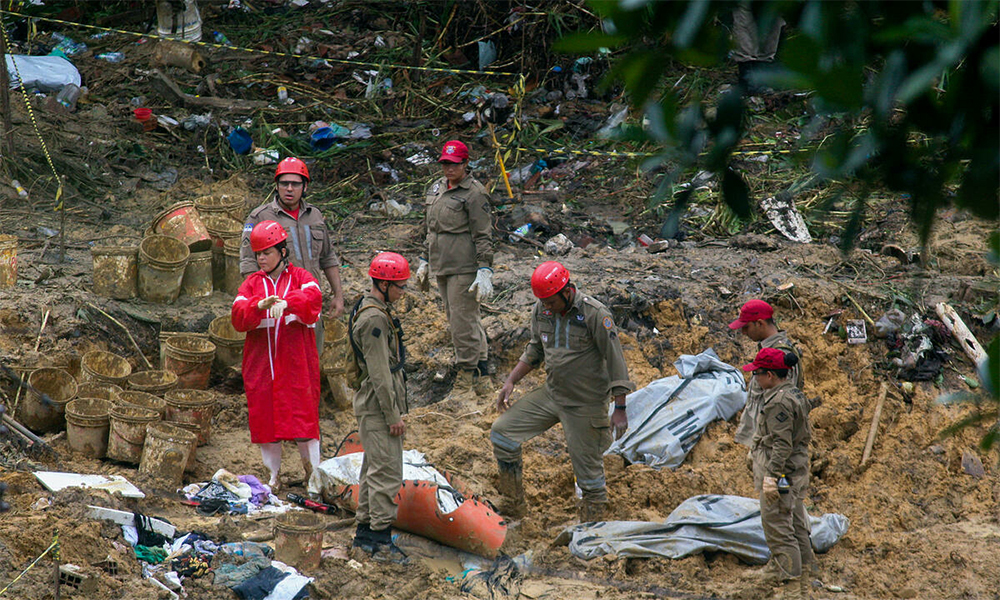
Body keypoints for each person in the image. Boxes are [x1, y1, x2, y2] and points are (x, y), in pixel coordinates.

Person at [490, 261, 634, 522]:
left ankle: (592, 528)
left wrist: (620, 408)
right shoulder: (543, 309)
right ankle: (513, 506)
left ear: (567, 292)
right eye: (542, 302)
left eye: (550, 302)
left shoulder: (595, 314)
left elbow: (616, 362)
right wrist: (511, 380)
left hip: (585, 404)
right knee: (502, 434)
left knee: (589, 478)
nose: (546, 307)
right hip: (552, 394)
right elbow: (535, 349)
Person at [231, 221, 322, 494]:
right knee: (266, 420)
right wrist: (257, 306)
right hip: (262, 366)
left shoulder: (301, 277)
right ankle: (273, 476)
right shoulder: (251, 284)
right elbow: (237, 316)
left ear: (282, 251)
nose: (261, 259)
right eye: (258, 254)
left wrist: (289, 302)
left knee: (304, 418)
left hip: (296, 365)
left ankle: (314, 474)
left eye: (267, 252)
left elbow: (314, 298)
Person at [240, 157, 344, 359]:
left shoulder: (315, 216)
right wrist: (261, 303)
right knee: (278, 365)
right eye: (284, 183)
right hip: (277, 308)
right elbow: (248, 265)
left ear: (305, 187)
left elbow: (328, 257)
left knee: (311, 361)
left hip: (310, 304)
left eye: (295, 184)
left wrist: (338, 296)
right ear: (276, 186)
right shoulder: (259, 217)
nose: (289, 188)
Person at [414, 140, 494, 400]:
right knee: (461, 318)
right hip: (442, 264)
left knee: (461, 323)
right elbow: (430, 230)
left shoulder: (474, 193)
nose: (449, 168)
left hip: (463, 265)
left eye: (454, 164)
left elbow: (483, 235)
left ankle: (467, 374)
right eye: (445, 163)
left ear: (465, 164)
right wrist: (425, 260)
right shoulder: (436, 189)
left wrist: (484, 269)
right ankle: (482, 369)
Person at [351, 252, 410, 561]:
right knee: (387, 472)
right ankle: (380, 541)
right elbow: (379, 374)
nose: (402, 292)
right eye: (399, 286)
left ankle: (364, 534)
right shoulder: (374, 318)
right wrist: (393, 415)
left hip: (374, 404)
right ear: (384, 284)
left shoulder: (374, 309)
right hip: (378, 406)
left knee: (372, 469)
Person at [743, 348, 812, 600]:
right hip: (792, 471)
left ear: (770, 375)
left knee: (778, 526)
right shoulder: (792, 392)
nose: (755, 380)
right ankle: (804, 584)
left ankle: (793, 589)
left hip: (783, 474)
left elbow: (782, 445)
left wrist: (771, 477)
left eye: (757, 374)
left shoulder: (778, 403)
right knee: (794, 523)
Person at [730, 299, 803, 447]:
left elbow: (782, 406)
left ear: (760, 323)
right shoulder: (770, 351)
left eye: (746, 327)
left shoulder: (780, 355)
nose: (743, 332)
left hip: (768, 441)